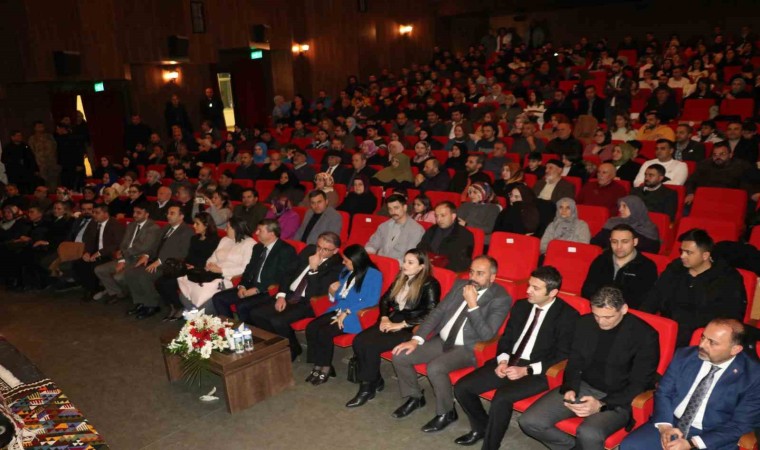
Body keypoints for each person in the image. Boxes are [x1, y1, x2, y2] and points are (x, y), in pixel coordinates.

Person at [518, 286, 660, 450]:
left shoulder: (645, 335)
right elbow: (575, 361)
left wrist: (601, 404)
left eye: (608, 317)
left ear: (624, 309)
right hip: (584, 386)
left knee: (589, 433)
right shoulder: (584, 323)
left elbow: (638, 384)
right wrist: (570, 387)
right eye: (596, 315)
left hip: (620, 397)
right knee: (530, 421)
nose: (601, 322)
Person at [453, 266, 580, 449]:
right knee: (462, 388)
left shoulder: (568, 316)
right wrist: (503, 360)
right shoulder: (521, 305)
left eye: (535, 288)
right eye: (529, 285)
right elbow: (507, 338)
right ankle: (483, 427)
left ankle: (490, 445)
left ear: (552, 292)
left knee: (502, 398)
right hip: (511, 360)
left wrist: (526, 370)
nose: (528, 290)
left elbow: (562, 355)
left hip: (539, 370)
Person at [390, 256, 511, 432]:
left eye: (480, 273)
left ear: (492, 277)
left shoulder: (501, 298)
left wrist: (472, 305)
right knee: (400, 355)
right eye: (472, 272)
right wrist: (416, 340)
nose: (473, 277)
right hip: (443, 340)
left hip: (468, 348)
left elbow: (487, 335)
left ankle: (447, 412)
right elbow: (437, 313)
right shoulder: (460, 285)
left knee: (435, 368)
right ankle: (415, 397)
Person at [620, 318, 760, 450]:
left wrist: (691, 443)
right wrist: (665, 426)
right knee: (630, 446)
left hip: (712, 435)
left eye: (712, 342)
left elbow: (740, 424)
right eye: (703, 337)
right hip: (672, 422)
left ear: (735, 349)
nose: (702, 345)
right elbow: (664, 392)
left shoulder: (753, 376)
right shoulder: (685, 356)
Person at [347, 249, 441, 407]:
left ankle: (366, 389)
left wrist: (402, 324)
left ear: (421, 267)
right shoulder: (401, 277)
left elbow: (431, 313)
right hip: (393, 319)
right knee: (358, 341)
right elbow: (385, 300)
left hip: (411, 327)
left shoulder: (430, 284)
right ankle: (375, 379)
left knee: (370, 346)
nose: (404, 265)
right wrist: (384, 317)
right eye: (404, 261)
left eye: (410, 263)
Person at [245, 231, 343, 361]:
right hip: (290, 294)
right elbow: (289, 272)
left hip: (308, 302)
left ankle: (293, 348)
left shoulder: (337, 265)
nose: (319, 251)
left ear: (335, 251)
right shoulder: (309, 250)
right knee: (256, 313)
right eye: (318, 246)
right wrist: (281, 295)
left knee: (277, 321)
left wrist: (313, 269)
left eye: (325, 249)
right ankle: (278, 344)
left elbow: (316, 292)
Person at [641, 229, 746, 347]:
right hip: (669, 329)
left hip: (703, 336)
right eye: (681, 251)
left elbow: (731, 315)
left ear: (705, 255)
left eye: (688, 252)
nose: (682, 256)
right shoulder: (675, 269)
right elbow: (654, 297)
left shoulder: (727, 278)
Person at [305, 245, 382, 385]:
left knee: (324, 332)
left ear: (356, 260)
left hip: (355, 314)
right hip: (339, 309)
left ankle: (325, 368)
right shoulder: (346, 271)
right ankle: (318, 363)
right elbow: (339, 296)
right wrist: (332, 292)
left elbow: (371, 300)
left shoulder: (374, 275)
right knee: (312, 327)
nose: (343, 262)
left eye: (346, 260)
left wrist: (347, 312)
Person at [122, 205, 194, 318]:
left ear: (181, 216)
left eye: (172, 213)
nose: (168, 215)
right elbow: (155, 245)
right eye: (168, 213)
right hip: (155, 261)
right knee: (130, 272)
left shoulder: (187, 231)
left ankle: (151, 305)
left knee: (144, 275)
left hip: (170, 265)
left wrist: (160, 261)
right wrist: (146, 255)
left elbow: (183, 253)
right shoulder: (166, 227)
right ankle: (140, 301)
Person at [176, 217, 255, 313]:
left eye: (228, 227)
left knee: (204, 305)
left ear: (236, 228)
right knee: (184, 293)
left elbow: (245, 268)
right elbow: (213, 257)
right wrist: (210, 265)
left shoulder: (249, 244)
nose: (225, 230)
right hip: (210, 274)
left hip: (227, 278)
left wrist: (221, 270)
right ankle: (196, 315)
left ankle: (198, 316)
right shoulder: (225, 240)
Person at [94, 202, 162, 307]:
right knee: (99, 270)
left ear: (146, 214)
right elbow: (123, 243)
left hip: (138, 259)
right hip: (125, 257)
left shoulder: (153, 228)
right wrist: (122, 259)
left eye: (138, 213)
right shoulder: (131, 225)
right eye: (134, 212)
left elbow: (143, 247)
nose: (134, 215)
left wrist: (123, 254)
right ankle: (117, 293)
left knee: (119, 277)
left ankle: (134, 295)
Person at [156, 212, 220, 321]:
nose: (194, 226)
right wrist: (185, 264)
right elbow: (189, 256)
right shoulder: (194, 238)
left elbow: (210, 260)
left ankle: (180, 307)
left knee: (169, 283)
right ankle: (174, 306)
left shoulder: (214, 240)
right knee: (160, 282)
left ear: (206, 225)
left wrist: (194, 266)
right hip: (188, 268)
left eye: (197, 224)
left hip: (200, 271)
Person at [582, 224, 658, 308]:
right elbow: (587, 291)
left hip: (627, 312)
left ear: (635, 242)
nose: (619, 246)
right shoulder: (601, 260)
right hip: (598, 309)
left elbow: (643, 301)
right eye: (614, 242)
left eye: (625, 242)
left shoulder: (647, 266)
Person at [72, 204, 126, 301]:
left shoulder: (115, 225)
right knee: (78, 264)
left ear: (106, 214)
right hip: (94, 252)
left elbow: (117, 244)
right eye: (93, 212)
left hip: (109, 254)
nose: (94, 215)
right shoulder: (93, 223)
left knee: (93, 266)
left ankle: (93, 289)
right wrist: (87, 252)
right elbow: (87, 239)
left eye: (97, 213)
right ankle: (92, 287)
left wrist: (100, 253)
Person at [684, 141, 750, 206]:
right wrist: (690, 193)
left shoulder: (741, 166)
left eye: (722, 154)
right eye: (715, 154)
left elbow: (747, 187)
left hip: (729, 202)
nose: (718, 157)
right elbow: (691, 181)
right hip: (705, 200)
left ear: (730, 155)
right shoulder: (704, 164)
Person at [365, 193, 425, 264]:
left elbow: (410, 257)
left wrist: (390, 264)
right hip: (379, 262)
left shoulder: (416, 230)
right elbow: (372, 244)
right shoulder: (384, 226)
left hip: (399, 266)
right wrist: (369, 255)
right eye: (390, 209)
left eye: (396, 208)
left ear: (405, 208)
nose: (393, 212)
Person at [417, 201, 474, 272]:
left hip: (447, 272)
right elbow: (420, 248)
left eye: (443, 215)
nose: (438, 219)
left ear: (453, 216)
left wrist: (438, 267)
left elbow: (464, 262)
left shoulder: (466, 235)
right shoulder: (432, 230)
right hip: (426, 268)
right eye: (436, 216)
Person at [591, 196, 661, 254]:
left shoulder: (648, 229)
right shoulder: (613, 222)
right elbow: (595, 242)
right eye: (620, 206)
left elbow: (651, 251)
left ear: (635, 208)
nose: (620, 209)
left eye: (624, 206)